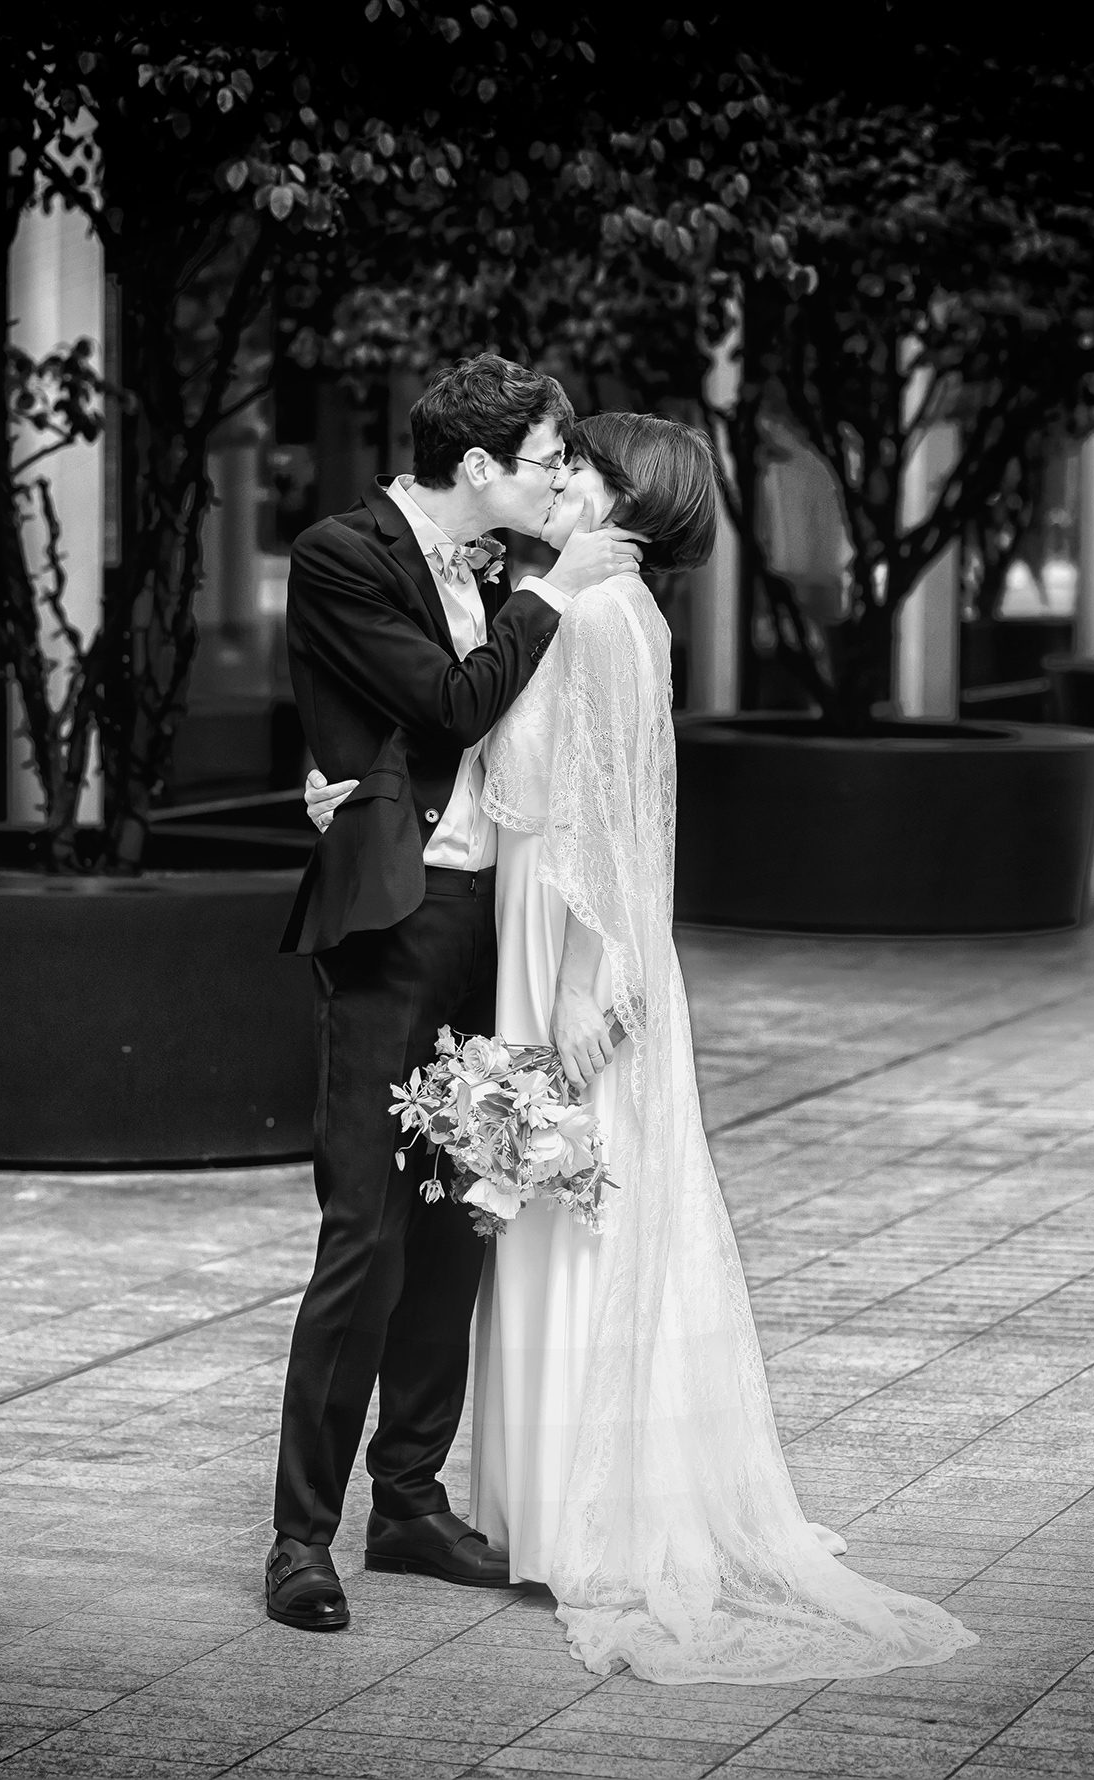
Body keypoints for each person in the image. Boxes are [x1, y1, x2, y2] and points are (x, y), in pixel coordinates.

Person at [305, 413, 975, 1683]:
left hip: (560, 955)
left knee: (557, 1219)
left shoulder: (599, 613)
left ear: (617, 497)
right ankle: (498, 1503)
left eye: (579, 468)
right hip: (515, 937)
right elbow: (474, 725)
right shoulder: (572, 600)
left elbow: (594, 816)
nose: (559, 480)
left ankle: (575, 1508)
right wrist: (351, 775)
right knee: (506, 1220)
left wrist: (588, 982)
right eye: (551, 462)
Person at [266, 355, 646, 1634]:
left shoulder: (491, 574)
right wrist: (549, 592)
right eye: (545, 460)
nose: (558, 480)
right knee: (365, 1226)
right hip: (399, 919)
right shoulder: (340, 553)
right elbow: (443, 699)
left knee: (461, 1215)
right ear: (477, 467)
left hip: (499, 921)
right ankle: (298, 1540)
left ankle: (412, 1500)